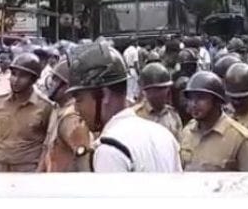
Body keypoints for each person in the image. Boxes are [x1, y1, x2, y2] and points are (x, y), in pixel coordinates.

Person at [67, 43, 182, 172]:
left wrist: (85, 150)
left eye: (79, 99)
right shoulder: (163, 135)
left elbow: (105, 192)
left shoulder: (110, 147)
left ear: (104, 95)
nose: (76, 108)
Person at [0, 53, 54, 172]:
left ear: (34, 79)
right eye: (14, 74)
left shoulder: (45, 106)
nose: (16, 80)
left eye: (23, 76)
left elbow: (48, 146)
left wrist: (40, 171)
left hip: (28, 168)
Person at [179, 71, 248, 171]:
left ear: (217, 101)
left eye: (201, 98)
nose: (194, 104)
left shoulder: (241, 139)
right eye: (191, 98)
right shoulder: (187, 132)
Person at [38, 60, 93, 172]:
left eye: (55, 79)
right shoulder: (57, 109)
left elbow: (83, 161)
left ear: (67, 86)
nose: (51, 83)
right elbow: (47, 149)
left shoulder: (71, 118)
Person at [134, 62, 183, 140]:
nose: (165, 92)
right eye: (160, 89)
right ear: (147, 91)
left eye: (166, 88)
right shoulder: (135, 116)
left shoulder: (173, 115)